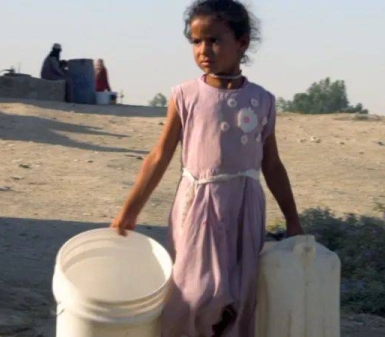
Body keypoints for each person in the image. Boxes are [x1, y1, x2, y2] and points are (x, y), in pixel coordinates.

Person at [110, 0, 304, 336]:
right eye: (196, 42)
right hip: (198, 206)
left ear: (241, 43)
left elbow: (271, 164)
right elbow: (159, 156)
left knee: (240, 297)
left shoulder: (262, 101)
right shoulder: (185, 95)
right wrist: (130, 210)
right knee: (195, 293)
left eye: (214, 40)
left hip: (246, 207)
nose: (204, 50)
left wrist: (292, 220)